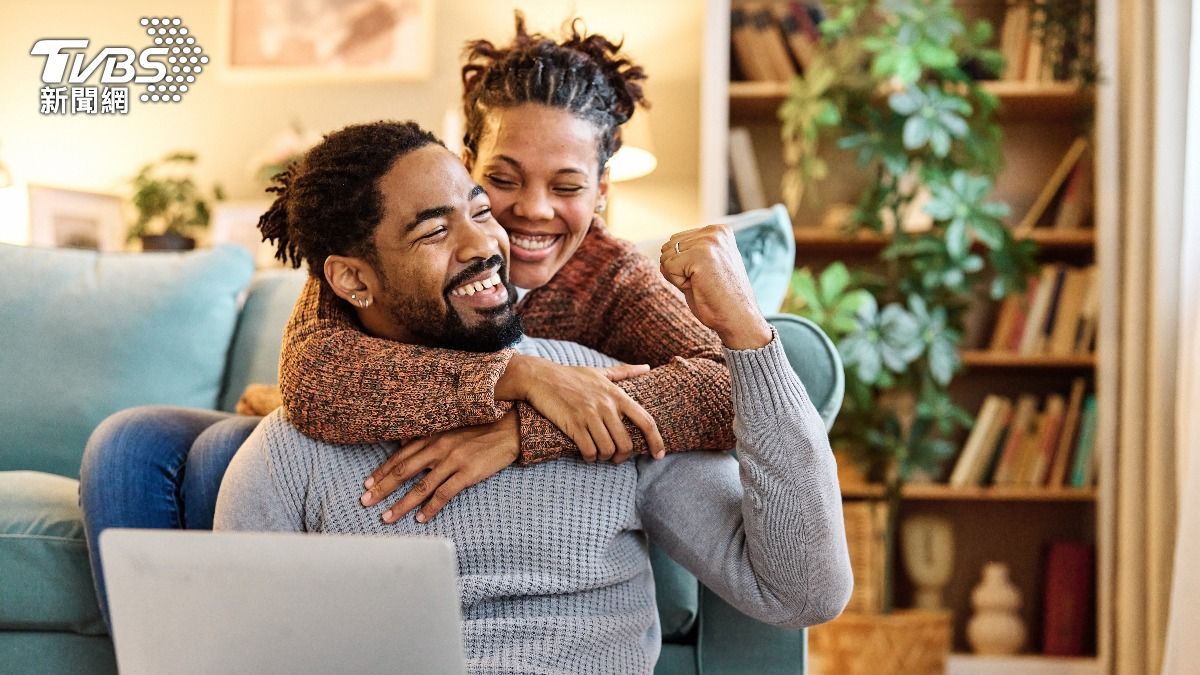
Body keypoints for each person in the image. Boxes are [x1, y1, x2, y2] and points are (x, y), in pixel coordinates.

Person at [81, 15, 735, 621]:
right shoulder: (394, 249)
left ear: (600, 192)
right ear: (465, 165)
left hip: (434, 477)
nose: (532, 210)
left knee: (223, 456)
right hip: (337, 431)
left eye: (566, 187)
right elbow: (315, 376)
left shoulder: (612, 277)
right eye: (503, 180)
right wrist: (524, 376)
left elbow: (731, 391)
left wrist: (524, 429)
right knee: (130, 442)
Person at [214, 118, 852, 673]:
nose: (487, 244)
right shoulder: (291, 447)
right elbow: (238, 655)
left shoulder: (606, 394)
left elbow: (804, 592)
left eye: (479, 212)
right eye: (433, 232)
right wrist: (513, 380)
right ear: (353, 280)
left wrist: (747, 334)